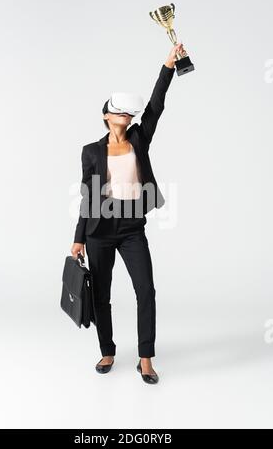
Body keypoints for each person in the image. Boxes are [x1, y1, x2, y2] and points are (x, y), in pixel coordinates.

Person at [71, 43, 185, 384]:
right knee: (101, 294)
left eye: (129, 113)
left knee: (146, 290)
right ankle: (107, 350)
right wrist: (78, 239)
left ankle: (145, 358)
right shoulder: (91, 151)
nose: (127, 116)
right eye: (119, 112)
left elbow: (156, 106)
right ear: (107, 115)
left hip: (132, 226)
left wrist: (167, 66)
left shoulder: (139, 138)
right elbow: (88, 198)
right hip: (99, 230)